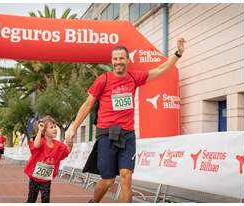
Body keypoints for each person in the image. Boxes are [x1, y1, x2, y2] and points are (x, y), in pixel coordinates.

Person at [66, 38, 185, 203]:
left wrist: (178, 53)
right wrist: (73, 128)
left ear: (127, 60)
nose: (118, 62)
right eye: (115, 59)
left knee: (126, 176)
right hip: (106, 135)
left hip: (128, 135)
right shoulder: (104, 80)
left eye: (121, 58)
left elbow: (160, 69)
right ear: (112, 61)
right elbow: (87, 105)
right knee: (108, 181)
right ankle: (93, 202)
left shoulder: (134, 77)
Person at [24, 116, 73, 203]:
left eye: (55, 127)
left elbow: (66, 152)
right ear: (44, 131)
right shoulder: (41, 141)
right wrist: (40, 130)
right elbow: (35, 146)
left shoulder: (58, 145)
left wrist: (70, 144)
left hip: (46, 179)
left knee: (46, 200)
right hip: (35, 177)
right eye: (51, 127)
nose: (55, 129)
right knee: (31, 199)